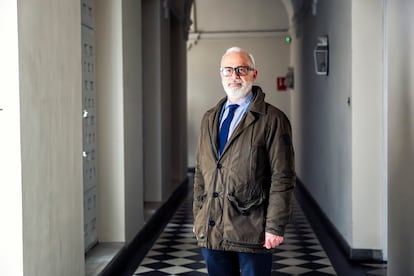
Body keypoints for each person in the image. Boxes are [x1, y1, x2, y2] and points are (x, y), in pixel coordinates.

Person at [193, 46, 296, 276]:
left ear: (254, 74)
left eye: (241, 69)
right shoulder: (209, 118)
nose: (234, 76)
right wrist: (199, 214)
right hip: (212, 227)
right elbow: (201, 171)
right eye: (228, 70)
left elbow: (283, 176)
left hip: (253, 230)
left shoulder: (273, 120)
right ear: (221, 74)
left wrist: (275, 226)